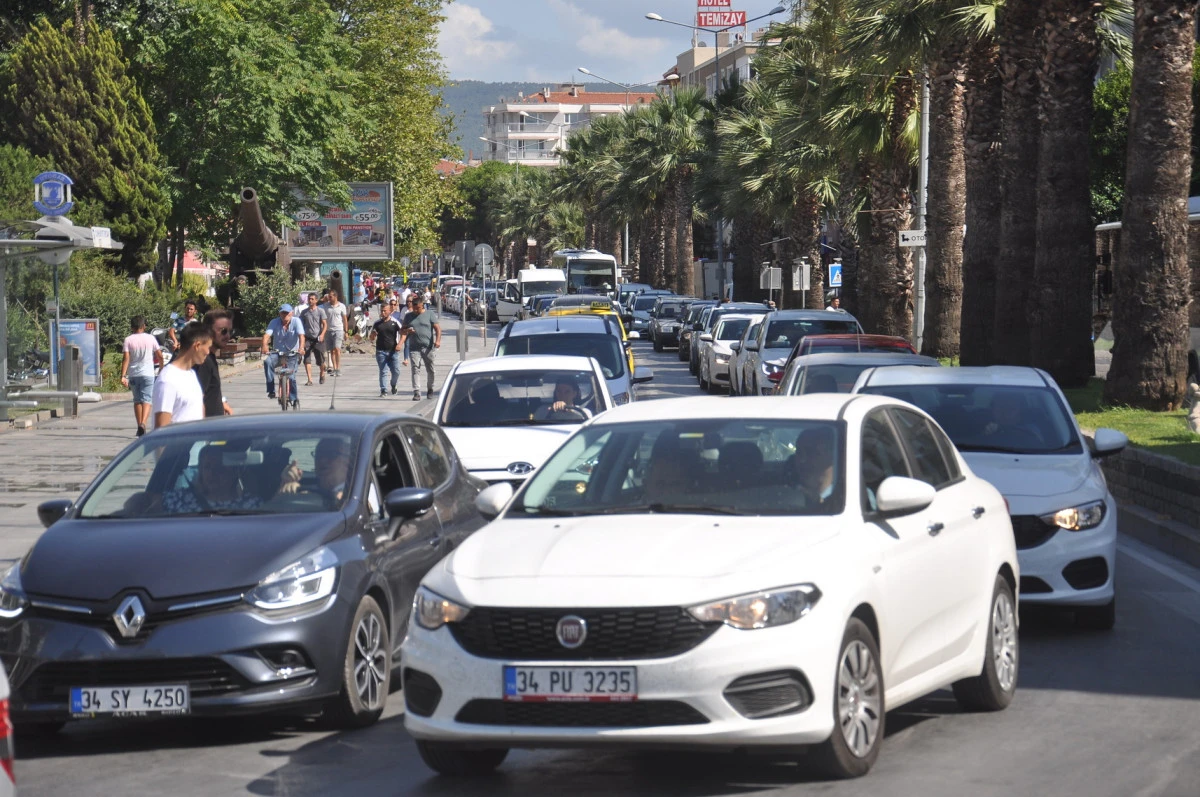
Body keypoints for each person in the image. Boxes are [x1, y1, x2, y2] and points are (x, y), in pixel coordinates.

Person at [161, 444, 265, 514]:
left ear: (234, 472)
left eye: (219, 467)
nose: (212, 473)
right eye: (207, 467)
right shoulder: (178, 499)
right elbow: (150, 502)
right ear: (200, 471)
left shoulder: (252, 505)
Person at [151, 322, 212, 429]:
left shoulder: (191, 374)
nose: (208, 352)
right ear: (197, 346)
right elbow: (161, 430)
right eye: (208, 347)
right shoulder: (168, 380)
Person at [119, 316, 162, 437]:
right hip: (148, 374)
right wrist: (162, 368)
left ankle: (139, 426)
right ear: (144, 326)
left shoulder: (128, 340)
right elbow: (160, 355)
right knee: (147, 399)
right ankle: (143, 423)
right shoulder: (151, 338)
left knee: (137, 400)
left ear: (132, 327)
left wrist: (123, 375)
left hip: (134, 374)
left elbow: (126, 358)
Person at [278, 436, 352, 506]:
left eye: (331, 455)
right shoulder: (302, 488)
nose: (323, 460)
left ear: (348, 460)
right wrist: (285, 487)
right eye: (319, 454)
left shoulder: (356, 493)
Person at [262, 303, 306, 407]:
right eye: (282, 313)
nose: (285, 315)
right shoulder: (274, 322)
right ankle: (271, 390)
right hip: (278, 353)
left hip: (293, 354)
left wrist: (301, 348)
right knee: (267, 361)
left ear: (291, 313)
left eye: (287, 313)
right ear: (279, 314)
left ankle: (293, 398)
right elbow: (266, 335)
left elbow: (301, 336)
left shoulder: (296, 321)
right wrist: (264, 345)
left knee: (291, 377)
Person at [399, 293, 442, 401]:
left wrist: (437, 340)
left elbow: (437, 328)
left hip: (428, 347)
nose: (416, 311)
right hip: (414, 348)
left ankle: (430, 389)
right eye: (414, 308)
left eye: (417, 308)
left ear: (422, 305)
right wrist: (407, 331)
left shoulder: (429, 314)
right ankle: (417, 392)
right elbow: (402, 330)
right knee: (415, 369)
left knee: (431, 369)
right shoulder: (408, 316)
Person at [194, 309, 234, 418]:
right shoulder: (203, 361)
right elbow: (196, 399)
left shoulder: (210, 358)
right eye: (223, 331)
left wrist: (221, 401)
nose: (228, 336)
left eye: (230, 331)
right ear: (208, 331)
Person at [792, 427, 836, 505]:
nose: (802, 459)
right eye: (799, 452)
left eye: (811, 452)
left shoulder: (851, 499)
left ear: (832, 456)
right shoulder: (789, 499)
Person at [369, 301, 403, 397]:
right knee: (383, 371)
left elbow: (403, 334)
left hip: (393, 351)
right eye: (382, 311)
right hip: (381, 351)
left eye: (385, 311)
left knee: (396, 371)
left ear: (389, 311)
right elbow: (371, 338)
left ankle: (393, 384)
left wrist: (400, 344)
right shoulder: (377, 323)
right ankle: (383, 390)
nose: (383, 313)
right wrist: (373, 335)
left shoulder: (395, 322)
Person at [298, 292, 328, 386]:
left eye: (312, 299)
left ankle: (322, 373)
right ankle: (309, 379)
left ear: (316, 300)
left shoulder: (320, 311)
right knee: (307, 359)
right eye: (309, 299)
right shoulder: (304, 312)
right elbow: (300, 324)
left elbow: (325, 324)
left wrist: (322, 334)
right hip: (307, 338)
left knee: (320, 360)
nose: (310, 301)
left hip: (318, 338)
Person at [323, 288, 349, 376]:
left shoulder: (341, 306)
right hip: (329, 330)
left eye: (330, 297)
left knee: (337, 349)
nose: (329, 298)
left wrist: (346, 332)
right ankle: (334, 368)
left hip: (338, 329)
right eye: (328, 297)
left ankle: (338, 368)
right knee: (331, 350)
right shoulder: (325, 306)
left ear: (335, 296)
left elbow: (345, 319)